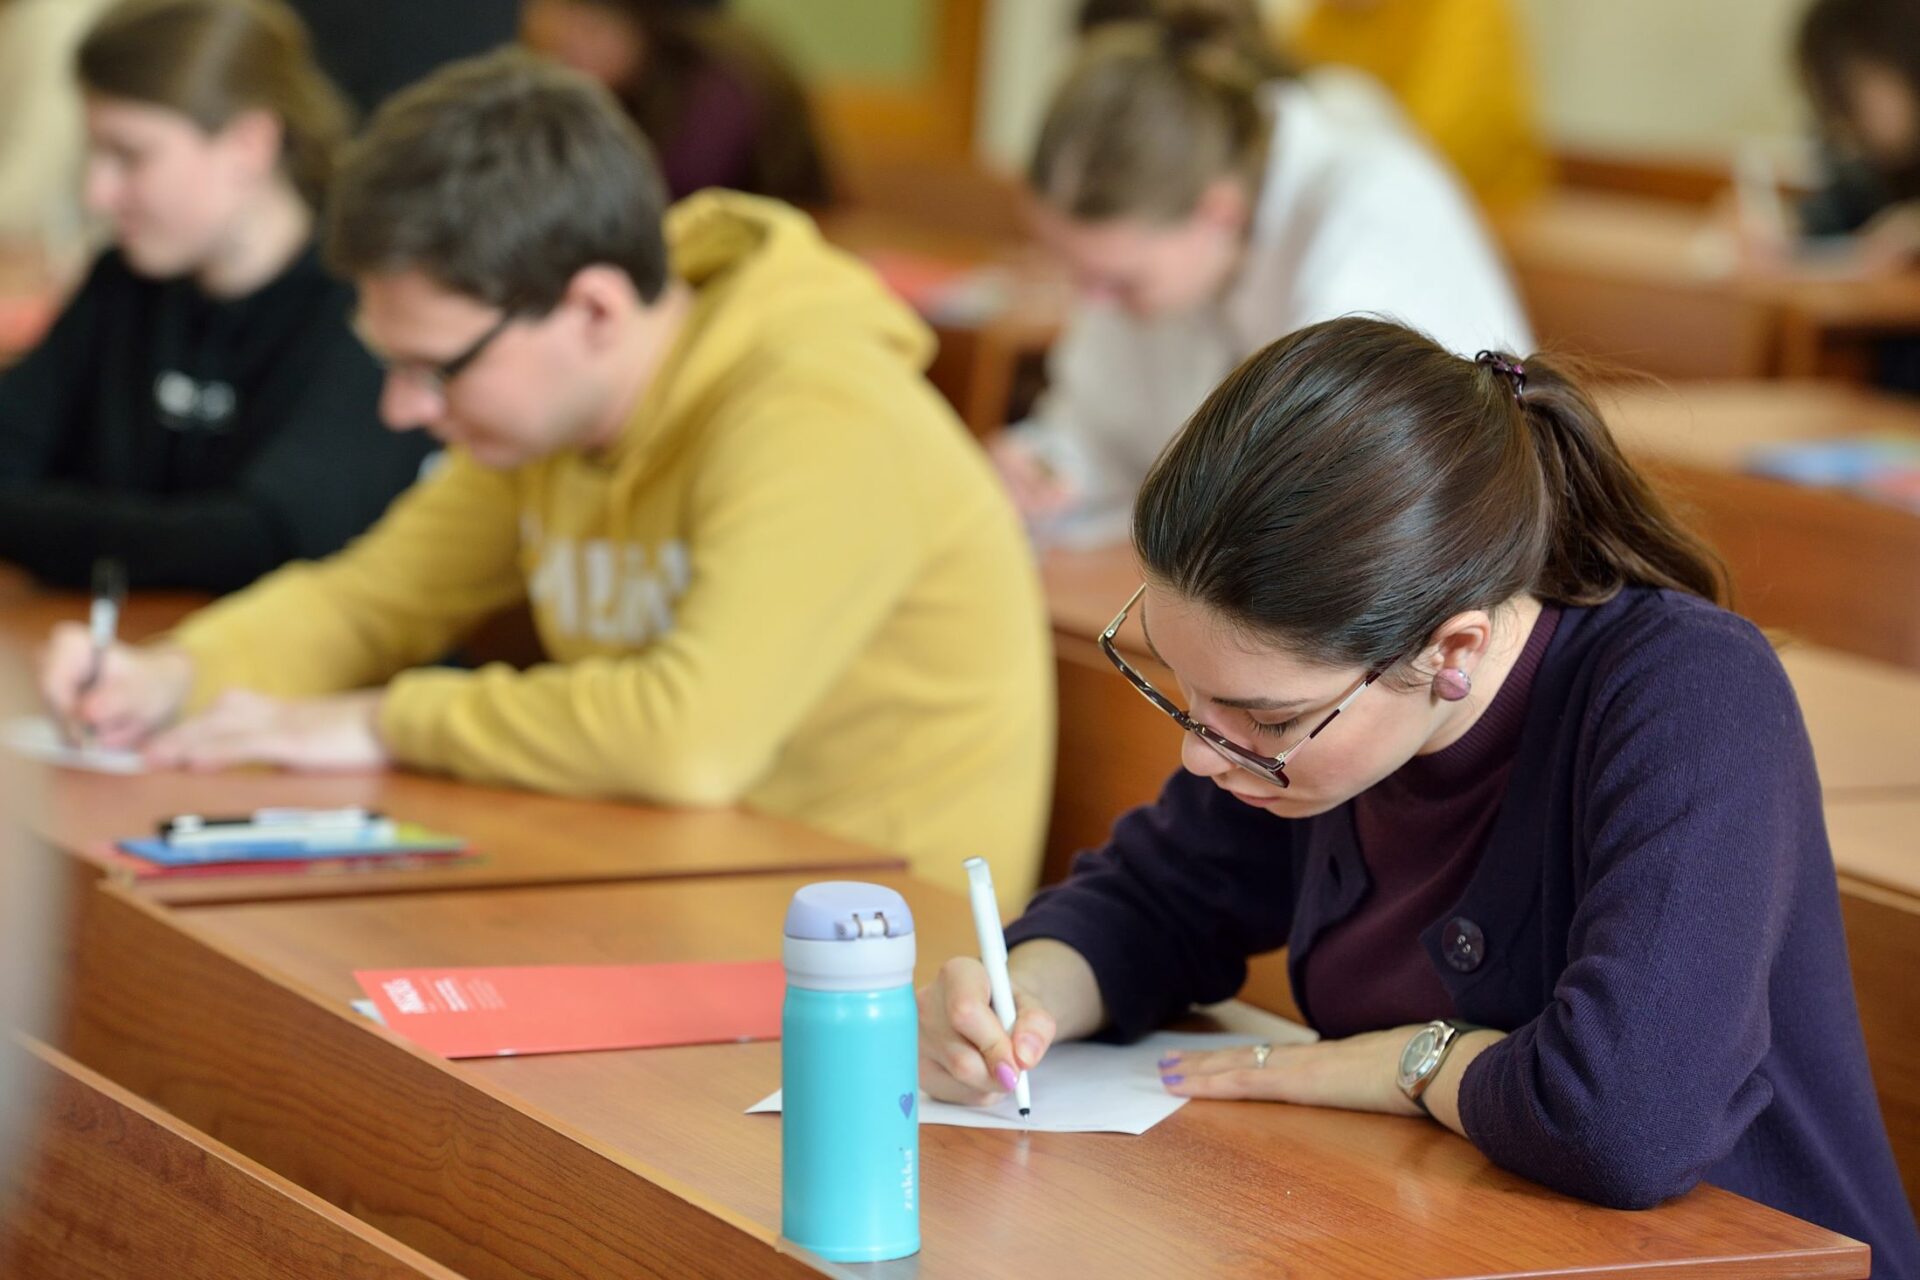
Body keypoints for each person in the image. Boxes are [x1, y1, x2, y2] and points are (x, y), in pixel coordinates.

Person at [923, 316, 1920, 1272]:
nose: (1202, 754)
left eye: (1264, 717)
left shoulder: (1689, 691)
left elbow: (1625, 1120)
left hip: (1741, 1260)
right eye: (1184, 689)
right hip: (1463, 1238)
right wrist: (1026, 998)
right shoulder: (1330, 717)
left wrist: (1410, 1063)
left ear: (1453, 651)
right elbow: (1156, 901)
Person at [37, 50, 1053, 899]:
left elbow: (687, 738)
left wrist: (382, 720)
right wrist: (173, 674)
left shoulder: (819, 409)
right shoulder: (547, 417)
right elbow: (373, 598)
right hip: (675, 877)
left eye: (436, 368)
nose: (402, 409)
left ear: (594, 310)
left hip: (876, 960)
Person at [992, 5, 1531, 547]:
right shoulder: (1173, 229)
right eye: (1079, 274)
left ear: (1218, 213)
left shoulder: (1363, 220)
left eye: (1121, 282)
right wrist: (1048, 467)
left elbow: (1333, 498)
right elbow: (1097, 424)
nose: (1094, 302)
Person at [0, 0, 435, 592]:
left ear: (248, 145)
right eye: (94, 154)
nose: (97, 193)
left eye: (130, 156)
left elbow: (269, 540)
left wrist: (39, 522)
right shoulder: (119, 283)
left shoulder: (363, 310)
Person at [521, 0, 832, 207]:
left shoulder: (714, 82)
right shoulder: (624, 89)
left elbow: (672, 199)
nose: (569, 55)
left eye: (588, 29)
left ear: (639, 23)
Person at [1285, 0, 1551, 210]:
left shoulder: (1462, 10)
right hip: (1365, 203)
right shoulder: (1324, 17)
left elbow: (1441, 148)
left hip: (1485, 211)